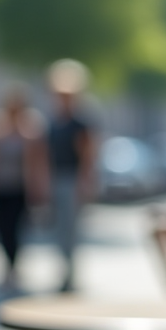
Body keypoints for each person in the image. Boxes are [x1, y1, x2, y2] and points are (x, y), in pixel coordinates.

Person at [0, 85, 48, 291]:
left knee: (17, 228)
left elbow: (38, 162)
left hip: (20, 189)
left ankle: (14, 267)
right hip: (1, 187)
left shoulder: (31, 130)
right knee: (2, 229)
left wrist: (40, 188)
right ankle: (7, 266)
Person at [46, 59, 96, 292]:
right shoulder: (54, 123)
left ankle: (70, 274)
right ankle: (63, 271)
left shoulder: (79, 124)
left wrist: (84, 182)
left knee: (71, 229)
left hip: (72, 179)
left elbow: (87, 155)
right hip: (56, 178)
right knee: (58, 229)